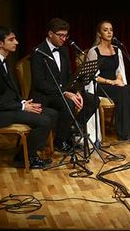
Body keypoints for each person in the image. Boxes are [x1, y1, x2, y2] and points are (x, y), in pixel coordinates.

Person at [0, 26, 58, 169]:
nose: (16, 42)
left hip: (7, 107)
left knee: (52, 113)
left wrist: (22, 101)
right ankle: (24, 158)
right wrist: (22, 107)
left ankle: (29, 151)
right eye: (11, 39)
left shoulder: (3, 60)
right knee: (44, 120)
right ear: (0, 43)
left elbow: (9, 91)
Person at [30, 18, 99, 153]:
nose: (63, 39)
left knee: (92, 100)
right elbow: (39, 82)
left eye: (65, 35)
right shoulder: (38, 51)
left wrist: (76, 90)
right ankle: (60, 141)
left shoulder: (64, 51)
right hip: (45, 95)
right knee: (68, 103)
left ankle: (70, 131)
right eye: (60, 35)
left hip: (63, 92)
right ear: (50, 34)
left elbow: (68, 76)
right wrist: (64, 92)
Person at [84, 21, 130, 141]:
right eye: (105, 30)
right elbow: (92, 76)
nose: (109, 32)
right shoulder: (94, 51)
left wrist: (118, 79)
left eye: (111, 30)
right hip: (100, 85)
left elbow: (119, 70)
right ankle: (124, 133)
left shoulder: (117, 50)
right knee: (124, 92)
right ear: (99, 33)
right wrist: (111, 82)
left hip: (114, 84)